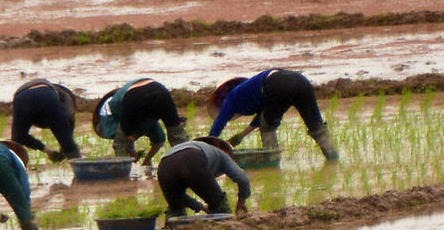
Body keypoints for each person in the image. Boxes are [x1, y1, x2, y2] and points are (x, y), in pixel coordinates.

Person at [206, 69, 338, 161]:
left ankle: (272, 161)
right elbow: (262, 117)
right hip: (302, 81)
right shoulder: (252, 88)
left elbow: (219, 122)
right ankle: (333, 157)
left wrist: (208, 144)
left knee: (268, 127)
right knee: (316, 126)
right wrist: (241, 135)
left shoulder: (230, 99)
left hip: (278, 84)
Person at [93, 78, 189, 167]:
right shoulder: (121, 97)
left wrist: (131, 146)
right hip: (160, 90)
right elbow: (158, 139)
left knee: (120, 143)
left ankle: (123, 170)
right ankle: (188, 163)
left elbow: (125, 138)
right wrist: (145, 158)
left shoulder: (115, 104)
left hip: (135, 96)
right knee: (177, 134)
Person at [156, 136, 250, 217]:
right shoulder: (222, 155)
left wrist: (201, 207)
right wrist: (241, 201)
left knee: (175, 210)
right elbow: (243, 179)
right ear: (224, 149)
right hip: (192, 158)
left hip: (164, 166)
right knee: (221, 208)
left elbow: (180, 196)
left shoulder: (198, 148)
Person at [11, 78, 82, 161]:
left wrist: (49, 151)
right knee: (71, 148)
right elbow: (69, 118)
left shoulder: (54, 91)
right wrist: (66, 146)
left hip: (21, 98)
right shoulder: (66, 95)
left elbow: (20, 137)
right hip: (46, 96)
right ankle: (81, 170)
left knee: (17, 139)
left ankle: (14, 168)